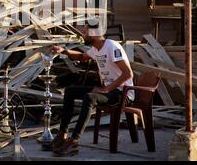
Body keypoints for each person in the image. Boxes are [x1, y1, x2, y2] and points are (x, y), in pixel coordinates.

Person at [49, 21, 134, 156]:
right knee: (70, 91)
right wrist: (64, 50)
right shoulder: (96, 48)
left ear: (93, 34)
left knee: (90, 97)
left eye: (84, 32)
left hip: (122, 94)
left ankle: (74, 141)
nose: (82, 34)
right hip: (110, 90)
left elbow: (128, 74)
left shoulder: (111, 46)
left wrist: (106, 89)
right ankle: (63, 133)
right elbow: (82, 57)